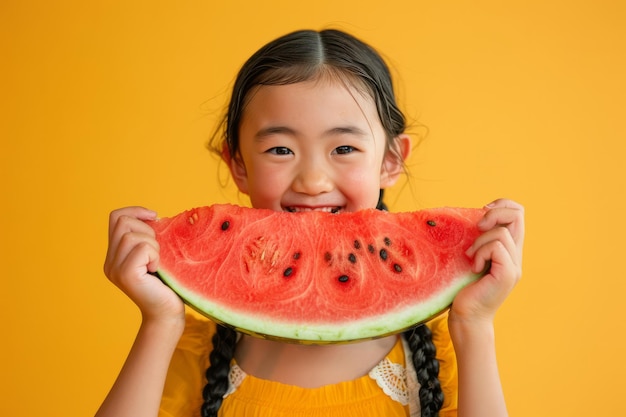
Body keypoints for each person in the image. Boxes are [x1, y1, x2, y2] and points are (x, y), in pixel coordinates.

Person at [97, 29, 524, 417]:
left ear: (391, 161)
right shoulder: (194, 349)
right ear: (239, 165)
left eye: (343, 148)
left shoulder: (445, 352)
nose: (314, 181)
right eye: (281, 150)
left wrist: (474, 326)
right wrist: (160, 322)